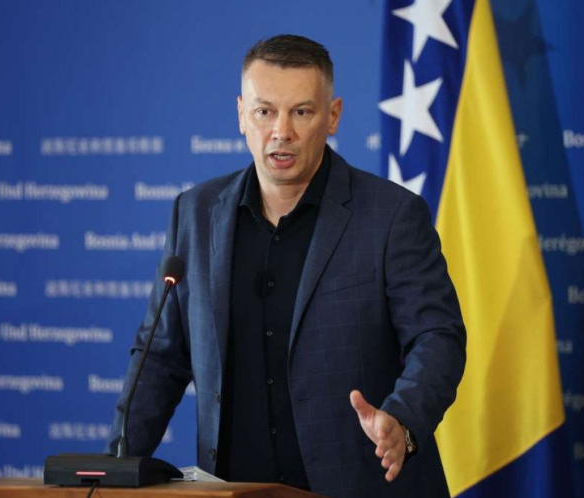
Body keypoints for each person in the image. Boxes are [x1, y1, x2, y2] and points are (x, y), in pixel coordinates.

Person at [106, 34, 466, 498]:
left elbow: (437, 336)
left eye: (301, 111)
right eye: (264, 111)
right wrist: (113, 472)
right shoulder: (196, 212)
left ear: (332, 116)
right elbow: (160, 357)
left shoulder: (391, 216)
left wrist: (403, 418)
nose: (281, 131)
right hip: (233, 488)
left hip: (362, 485)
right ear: (241, 114)